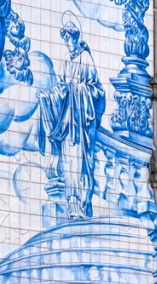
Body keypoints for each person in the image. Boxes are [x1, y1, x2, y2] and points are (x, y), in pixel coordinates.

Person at [36, 22, 105, 221]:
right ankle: (73, 205)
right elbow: (61, 88)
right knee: (70, 165)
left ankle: (83, 205)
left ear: (75, 37)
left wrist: (76, 89)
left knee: (81, 164)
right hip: (68, 122)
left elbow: (95, 90)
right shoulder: (66, 60)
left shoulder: (85, 58)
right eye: (64, 38)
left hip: (81, 124)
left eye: (69, 38)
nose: (67, 42)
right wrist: (50, 97)